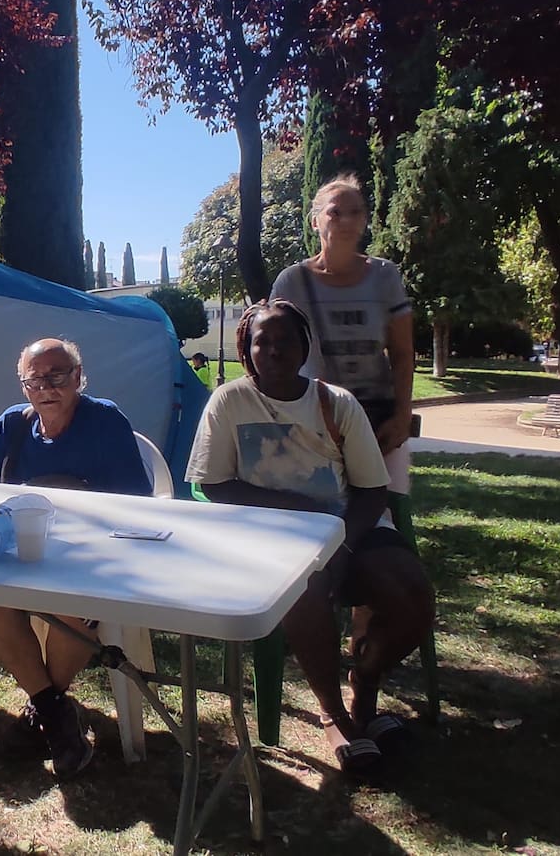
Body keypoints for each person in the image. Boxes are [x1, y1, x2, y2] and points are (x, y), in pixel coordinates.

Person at [185, 300, 434, 773]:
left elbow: (372, 489)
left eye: (286, 341)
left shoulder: (336, 402)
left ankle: (365, 683)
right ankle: (334, 714)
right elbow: (213, 484)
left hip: (349, 526)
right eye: (262, 342)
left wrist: (342, 543)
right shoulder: (229, 402)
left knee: (413, 595)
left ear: (305, 348)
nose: (274, 350)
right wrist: (296, 510)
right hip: (271, 536)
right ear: (246, 349)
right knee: (303, 584)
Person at [0, 337, 151, 779]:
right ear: (23, 386)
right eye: (34, 380)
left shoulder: (104, 420)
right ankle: (56, 715)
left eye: (57, 376)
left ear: (78, 377)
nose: (46, 387)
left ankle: (43, 713)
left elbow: (136, 502)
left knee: (74, 606)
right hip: (24, 554)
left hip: (91, 555)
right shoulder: (11, 425)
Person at [270, 173, 416, 502]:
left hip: (377, 423)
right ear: (315, 221)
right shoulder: (291, 283)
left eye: (356, 212)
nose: (347, 220)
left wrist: (402, 416)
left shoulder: (385, 276)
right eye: (335, 212)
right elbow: (270, 354)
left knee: (384, 511)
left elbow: (403, 352)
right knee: (318, 513)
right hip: (312, 423)